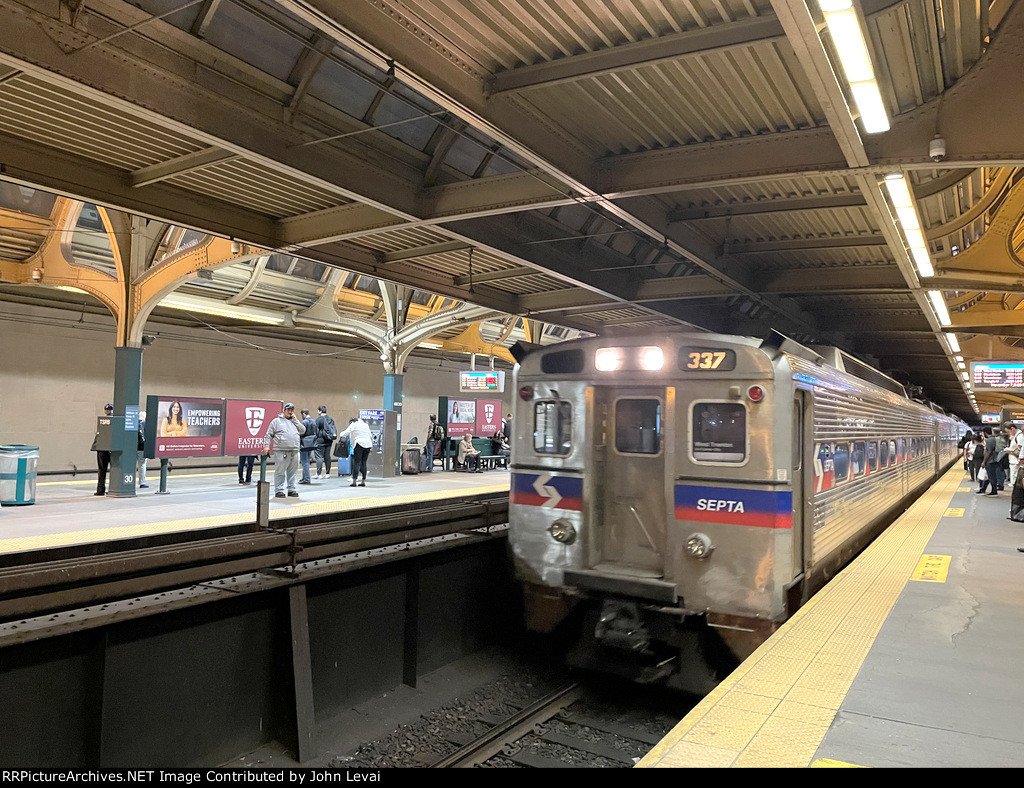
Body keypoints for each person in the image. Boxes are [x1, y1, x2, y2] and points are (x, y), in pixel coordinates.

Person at [265, 403, 304, 498]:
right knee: (280, 471)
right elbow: (268, 434)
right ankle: (279, 490)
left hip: (294, 450)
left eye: (292, 410)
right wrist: (266, 446)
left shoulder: (294, 421)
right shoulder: (276, 421)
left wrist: (295, 420)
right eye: (288, 410)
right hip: (281, 450)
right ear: (284, 410)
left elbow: (303, 430)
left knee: (293, 472)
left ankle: (291, 489)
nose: (290, 412)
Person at [337, 415, 373, 487]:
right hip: (368, 444)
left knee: (357, 462)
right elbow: (370, 435)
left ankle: (354, 482)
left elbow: (344, 434)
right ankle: (363, 481)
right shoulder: (365, 425)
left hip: (359, 444)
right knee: (364, 462)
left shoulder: (353, 424)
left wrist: (341, 434)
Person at [92, 403, 114, 496]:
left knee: (102, 470)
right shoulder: (116, 421)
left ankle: (100, 490)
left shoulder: (102, 421)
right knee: (114, 469)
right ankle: (113, 488)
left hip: (101, 448)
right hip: (112, 449)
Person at [314, 405, 336, 479]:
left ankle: (319, 474)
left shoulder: (319, 419)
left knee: (319, 456)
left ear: (320, 411)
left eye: (318, 410)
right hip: (329, 440)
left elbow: (316, 430)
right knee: (327, 456)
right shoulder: (330, 419)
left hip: (320, 440)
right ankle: (327, 473)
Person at [298, 408, 317, 484]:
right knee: (307, 460)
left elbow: (301, 432)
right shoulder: (314, 421)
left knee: (304, 462)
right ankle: (304, 477)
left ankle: (306, 478)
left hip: (304, 443)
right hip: (311, 443)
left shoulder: (304, 422)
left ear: (303, 414)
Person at [978, 427, 998, 495]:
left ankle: (994, 491)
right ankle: (983, 489)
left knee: (991, 476)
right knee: (988, 476)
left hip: (990, 461)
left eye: (983, 433)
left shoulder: (989, 440)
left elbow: (988, 451)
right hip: (993, 460)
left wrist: (984, 462)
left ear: (985, 433)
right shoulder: (993, 439)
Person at [1006, 422, 1024, 488]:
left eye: (1008, 431)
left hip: (1017, 461)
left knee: (1017, 480)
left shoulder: (1019, 436)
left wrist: (1010, 450)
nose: (1008, 433)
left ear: (1012, 428)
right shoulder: (1015, 436)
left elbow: (1021, 449)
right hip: (1015, 461)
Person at [136, 413, 148, 488]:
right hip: (142, 447)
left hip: (133, 448)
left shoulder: (134, 423)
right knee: (142, 465)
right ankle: (142, 482)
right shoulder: (144, 424)